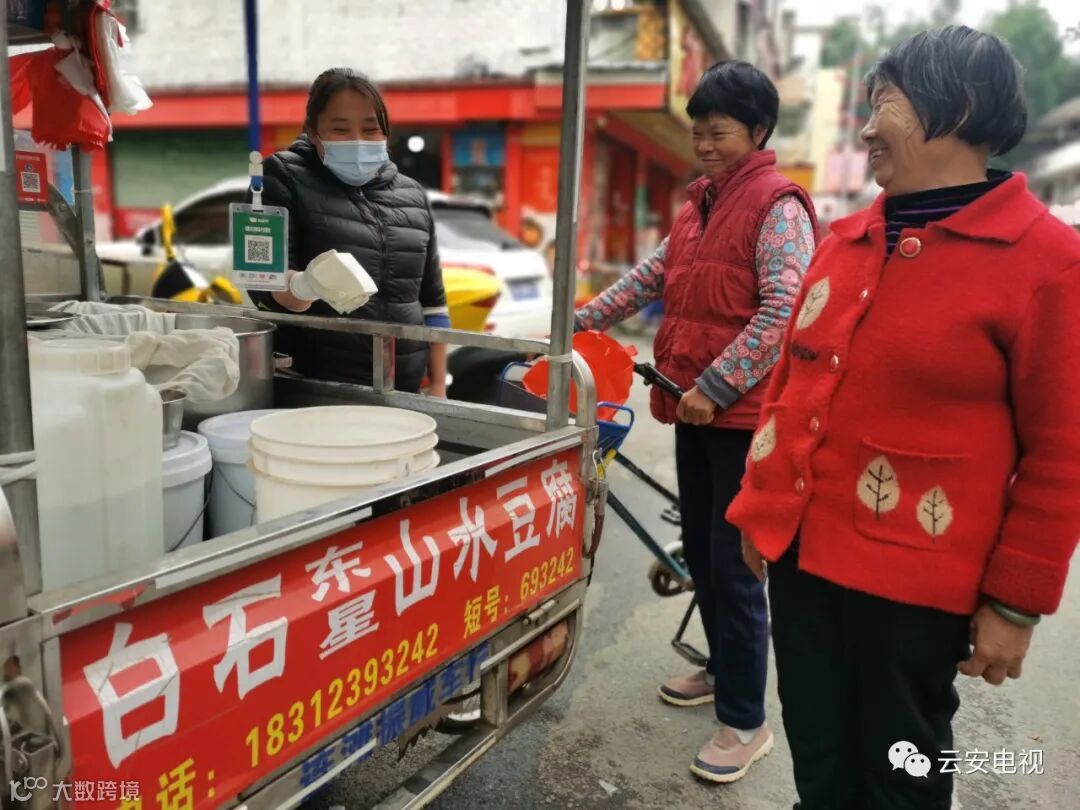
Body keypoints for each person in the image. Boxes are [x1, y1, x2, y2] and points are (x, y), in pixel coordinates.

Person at [728, 26, 1080, 809]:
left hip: (918, 588)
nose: (864, 132)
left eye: (883, 106)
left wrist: (1015, 602)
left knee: (901, 773)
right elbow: (789, 386)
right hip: (803, 562)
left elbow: (1063, 451)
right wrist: (760, 508)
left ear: (958, 107)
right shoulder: (843, 244)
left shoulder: (1047, 262)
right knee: (818, 751)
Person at [575, 60, 816, 783]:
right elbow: (648, 280)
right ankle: (721, 669)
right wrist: (577, 322)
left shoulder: (778, 207)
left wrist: (716, 383)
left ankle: (746, 721)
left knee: (735, 567)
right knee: (705, 557)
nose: (705, 145)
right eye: (698, 132)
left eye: (719, 132)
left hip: (742, 419)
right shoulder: (699, 206)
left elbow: (786, 311)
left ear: (759, 131)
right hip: (693, 409)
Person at [251, 68, 448, 395]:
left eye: (371, 129)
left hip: (402, 386)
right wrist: (306, 284)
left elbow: (433, 302)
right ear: (314, 131)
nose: (358, 140)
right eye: (340, 129)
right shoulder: (281, 176)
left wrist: (439, 383)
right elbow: (263, 283)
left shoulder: (412, 195)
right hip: (315, 386)